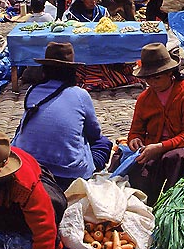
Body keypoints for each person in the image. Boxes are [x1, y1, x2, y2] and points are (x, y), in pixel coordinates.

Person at [12, 43, 111, 190]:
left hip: (28, 166)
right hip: (68, 174)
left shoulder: (32, 91)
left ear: (45, 69)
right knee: (104, 144)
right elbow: (94, 134)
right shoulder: (80, 95)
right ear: (72, 71)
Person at [127, 43, 184, 206]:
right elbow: (135, 131)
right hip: (154, 150)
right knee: (128, 162)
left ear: (170, 73)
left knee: (173, 158)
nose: (153, 83)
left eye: (157, 78)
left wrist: (161, 146)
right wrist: (134, 140)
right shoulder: (144, 99)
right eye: (149, 79)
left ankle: (170, 205)